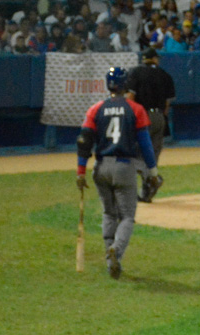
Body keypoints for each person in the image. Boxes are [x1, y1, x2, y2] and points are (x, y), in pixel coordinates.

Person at [76, 67, 159, 280]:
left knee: (108, 213)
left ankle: (109, 258)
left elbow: (84, 141)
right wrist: (152, 171)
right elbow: (146, 144)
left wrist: (80, 172)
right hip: (124, 167)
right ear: (125, 86)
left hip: (101, 166)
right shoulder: (136, 109)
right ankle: (117, 250)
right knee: (127, 216)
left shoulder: (95, 109)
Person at [126, 47, 176, 202]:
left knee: (134, 155)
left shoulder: (135, 72)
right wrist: (160, 116)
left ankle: (151, 180)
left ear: (143, 59)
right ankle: (147, 193)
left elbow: (130, 96)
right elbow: (168, 103)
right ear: (154, 59)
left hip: (142, 116)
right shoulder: (165, 75)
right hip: (159, 117)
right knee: (152, 157)